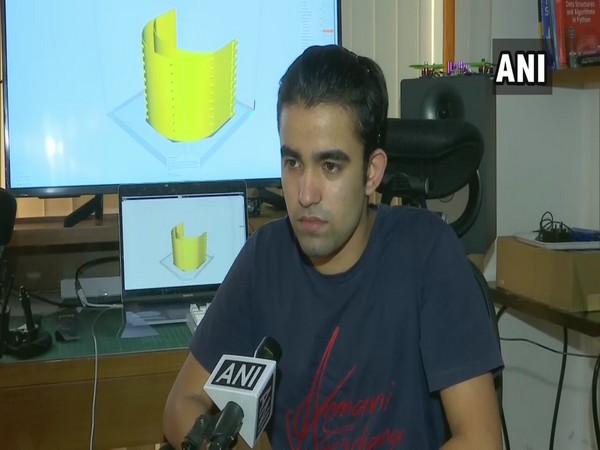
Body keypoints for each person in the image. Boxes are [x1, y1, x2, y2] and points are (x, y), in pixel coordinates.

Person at [163, 44, 504, 449]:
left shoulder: (428, 252)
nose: (305, 194)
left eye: (330, 166)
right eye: (292, 163)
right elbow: (182, 403)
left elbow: (481, 438)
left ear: (372, 173)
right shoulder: (265, 258)